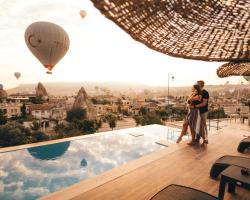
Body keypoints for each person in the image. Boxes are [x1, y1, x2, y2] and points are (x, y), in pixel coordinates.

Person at [193, 80, 209, 145]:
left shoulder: (205, 93)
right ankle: (198, 138)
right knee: (198, 124)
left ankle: (205, 139)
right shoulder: (197, 92)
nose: (196, 85)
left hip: (203, 111)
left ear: (200, 85)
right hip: (197, 111)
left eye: (197, 84)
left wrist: (195, 106)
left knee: (203, 125)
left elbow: (204, 103)